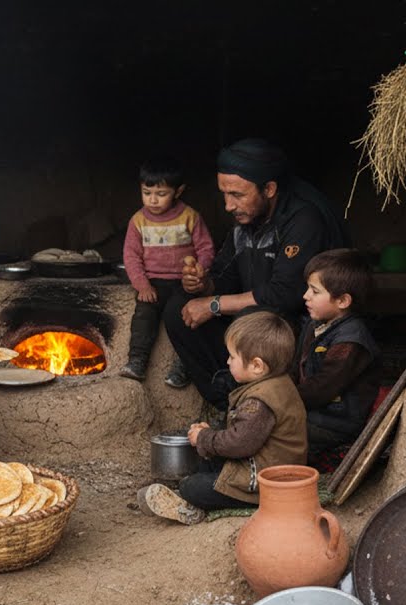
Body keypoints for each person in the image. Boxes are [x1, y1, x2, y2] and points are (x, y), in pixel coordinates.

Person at [163, 138, 347, 409]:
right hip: (254, 318)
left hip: (295, 328)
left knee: (254, 320)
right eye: (224, 194)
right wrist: (202, 284)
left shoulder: (303, 219)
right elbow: (225, 276)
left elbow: (285, 295)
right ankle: (226, 404)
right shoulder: (246, 221)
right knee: (177, 307)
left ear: (269, 188)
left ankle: (261, 405)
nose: (228, 205)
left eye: (237, 195)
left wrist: (214, 304)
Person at [138, 312, 307, 525]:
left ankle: (189, 506)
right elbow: (243, 433)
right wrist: (210, 435)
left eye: (232, 357)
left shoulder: (260, 401)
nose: (227, 361)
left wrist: (205, 438)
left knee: (193, 486)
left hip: (264, 485)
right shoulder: (276, 384)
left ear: (257, 365)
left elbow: (239, 444)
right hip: (266, 468)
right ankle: (178, 494)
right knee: (205, 464)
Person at [119, 157, 215, 386]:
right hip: (153, 282)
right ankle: (137, 361)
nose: (152, 200)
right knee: (143, 316)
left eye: (161, 193)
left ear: (178, 191)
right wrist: (142, 285)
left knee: (186, 318)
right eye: (146, 192)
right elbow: (131, 256)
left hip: (185, 282)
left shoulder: (190, 217)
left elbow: (206, 247)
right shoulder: (138, 221)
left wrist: (200, 270)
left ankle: (184, 366)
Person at [296, 248, 380, 457]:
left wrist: (281, 400)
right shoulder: (315, 324)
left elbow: (321, 389)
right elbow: (295, 365)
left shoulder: (351, 341)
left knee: (275, 430)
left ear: (342, 301)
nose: (305, 296)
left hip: (337, 422)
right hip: (313, 411)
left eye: (315, 291)